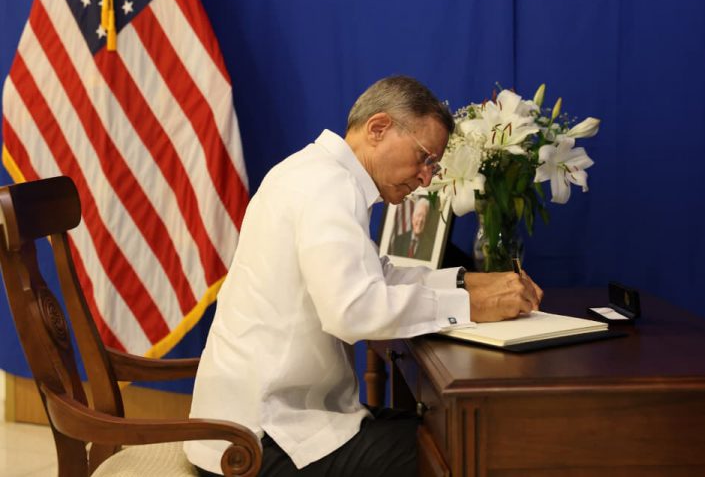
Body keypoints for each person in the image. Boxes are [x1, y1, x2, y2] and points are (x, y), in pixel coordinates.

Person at [184, 76, 544, 477]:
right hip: (260, 440)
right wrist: (470, 304)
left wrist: (465, 283)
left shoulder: (318, 172)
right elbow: (352, 310)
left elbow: (375, 275)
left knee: (448, 433)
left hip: (258, 423)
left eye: (434, 166)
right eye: (425, 157)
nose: (427, 178)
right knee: (465, 448)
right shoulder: (326, 186)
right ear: (378, 128)